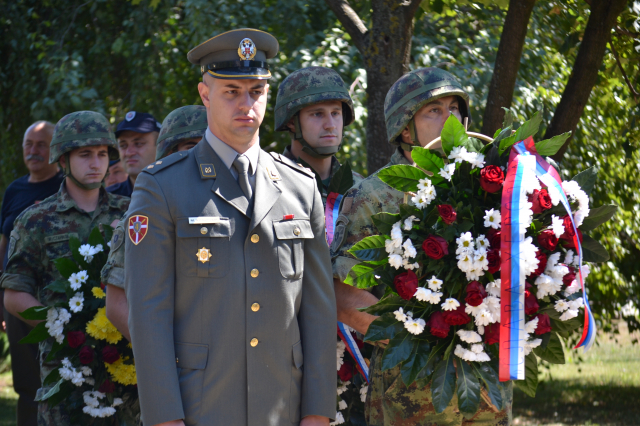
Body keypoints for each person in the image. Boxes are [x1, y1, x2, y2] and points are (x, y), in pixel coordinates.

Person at [124, 28, 337, 426]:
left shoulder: (300, 186)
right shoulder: (162, 187)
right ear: (205, 94)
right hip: (201, 408)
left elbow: (318, 311)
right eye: (231, 91)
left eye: (256, 91)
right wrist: (164, 417)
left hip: (284, 408)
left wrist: (318, 411)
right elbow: (148, 314)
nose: (246, 104)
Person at [330, 67, 512, 425]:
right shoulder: (373, 197)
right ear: (404, 127)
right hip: (413, 392)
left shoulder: (485, 187)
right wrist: (424, 334)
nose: (451, 119)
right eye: (435, 110)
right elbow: (343, 294)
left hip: (487, 388)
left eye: (455, 108)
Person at [0, 111, 130, 425]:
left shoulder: (131, 212)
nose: (96, 163)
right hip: (65, 369)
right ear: (62, 161)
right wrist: (59, 324)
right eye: (85, 155)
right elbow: (14, 294)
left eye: (102, 155)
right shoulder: (36, 220)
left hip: (124, 366)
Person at [101, 104, 208, 342]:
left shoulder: (242, 206)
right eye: (194, 147)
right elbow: (117, 304)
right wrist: (165, 360)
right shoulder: (141, 217)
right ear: (170, 154)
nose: (208, 157)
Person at [0, 120, 63, 426]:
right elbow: (2, 246)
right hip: (18, 298)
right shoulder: (15, 190)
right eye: (29, 144)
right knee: (26, 383)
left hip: (58, 299)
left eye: (41, 144)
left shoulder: (66, 187)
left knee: (64, 376)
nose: (34, 151)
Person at [274, 66, 363, 207]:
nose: (330, 125)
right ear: (292, 121)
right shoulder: (270, 186)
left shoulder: (360, 189)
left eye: (335, 113)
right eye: (317, 114)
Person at [106, 112, 161, 197]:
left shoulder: (179, 191)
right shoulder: (108, 198)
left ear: (159, 147)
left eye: (138, 144)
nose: (129, 153)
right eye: (123, 145)